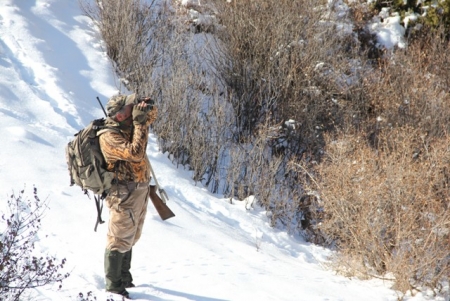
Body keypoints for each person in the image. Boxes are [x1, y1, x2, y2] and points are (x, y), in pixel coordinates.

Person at [99, 93, 157, 298]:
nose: (134, 109)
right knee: (119, 237)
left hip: (139, 188)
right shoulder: (109, 136)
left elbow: (149, 118)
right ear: (120, 115)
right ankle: (114, 287)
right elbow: (135, 153)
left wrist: (147, 108)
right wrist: (140, 123)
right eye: (130, 107)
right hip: (122, 192)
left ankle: (125, 278)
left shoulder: (127, 125)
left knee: (132, 235)